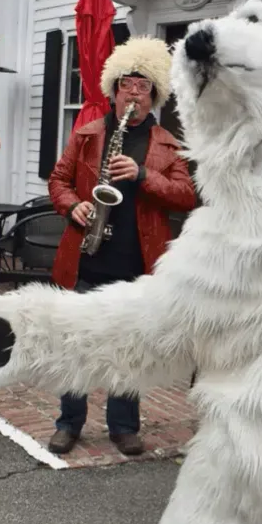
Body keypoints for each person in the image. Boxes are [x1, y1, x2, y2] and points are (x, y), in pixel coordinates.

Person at [46, 36, 196, 457]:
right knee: (74, 347)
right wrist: (72, 205)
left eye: (143, 86)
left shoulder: (167, 143)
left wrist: (144, 175)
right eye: (126, 84)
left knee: (130, 351)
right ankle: (68, 423)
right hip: (87, 259)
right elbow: (58, 181)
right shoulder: (87, 134)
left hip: (136, 265)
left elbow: (186, 195)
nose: (134, 93)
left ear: (155, 95)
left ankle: (124, 426)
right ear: (113, 91)